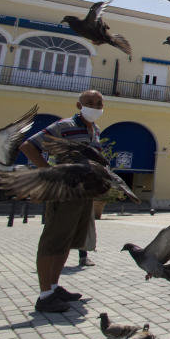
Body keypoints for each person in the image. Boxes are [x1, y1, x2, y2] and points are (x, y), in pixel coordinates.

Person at [19, 90, 105, 313]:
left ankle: (55, 286)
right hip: (64, 192)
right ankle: (45, 294)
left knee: (67, 241)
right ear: (79, 105)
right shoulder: (63, 126)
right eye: (90, 103)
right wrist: (49, 173)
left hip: (83, 194)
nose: (95, 106)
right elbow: (28, 146)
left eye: (98, 103)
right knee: (53, 240)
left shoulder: (95, 130)